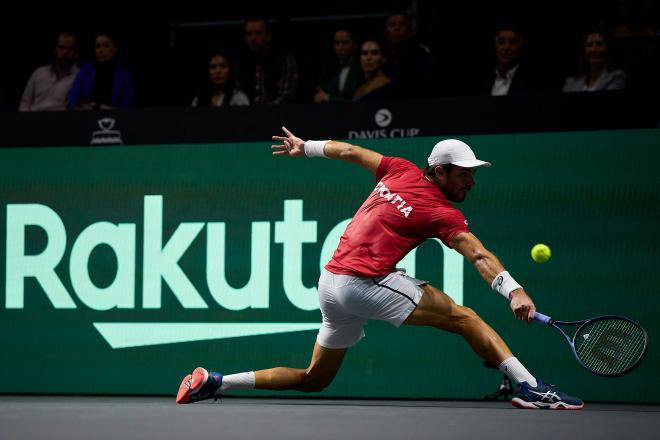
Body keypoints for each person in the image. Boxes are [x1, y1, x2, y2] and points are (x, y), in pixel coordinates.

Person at [176, 127, 585, 410]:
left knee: (314, 379)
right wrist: (513, 290)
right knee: (465, 317)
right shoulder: (442, 212)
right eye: (464, 174)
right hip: (361, 282)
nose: (470, 183)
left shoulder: (399, 168)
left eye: (472, 175)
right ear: (440, 171)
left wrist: (307, 147)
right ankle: (531, 387)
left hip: (330, 285)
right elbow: (477, 255)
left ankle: (217, 381)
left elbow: (349, 151)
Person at [234, 17, 298, 104]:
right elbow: (239, 96)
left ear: (268, 36)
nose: (253, 38)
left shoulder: (284, 59)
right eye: (249, 34)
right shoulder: (240, 63)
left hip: (278, 114)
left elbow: (286, 97)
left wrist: (265, 113)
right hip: (248, 114)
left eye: (258, 33)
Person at [466, 25, 542, 96]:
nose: (506, 47)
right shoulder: (479, 79)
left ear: (520, 47)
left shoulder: (531, 81)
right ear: (495, 46)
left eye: (512, 42)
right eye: (501, 42)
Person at [68, 32, 135, 110]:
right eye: (97, 46)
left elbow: (127, 108)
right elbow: (73, 100)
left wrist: (97, 107)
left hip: (114, 119)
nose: (101, 50)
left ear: (115, 48)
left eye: (106, 45)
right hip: (84, 116)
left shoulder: (125, 75)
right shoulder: (86, 70)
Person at [19, 31, 79, 111]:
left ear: (76, 53)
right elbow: (25, 103)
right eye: (61, 47)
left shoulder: (79, 77)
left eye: (70, 49)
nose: (65, 52)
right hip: (33, 119)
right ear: (55, 50)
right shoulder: (39, 73)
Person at [562, 29, 626, 92]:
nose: (594, 49)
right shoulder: (571, 82)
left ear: (607, 48)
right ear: (583, 51)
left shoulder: (617, 77)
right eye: (589, 45)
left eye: (599, 44)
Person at [313, 29, 364, 103]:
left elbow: (356, 101)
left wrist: (329, 98)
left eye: (345, 43)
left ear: (354, 45)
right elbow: (320, 96)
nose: (340, 47)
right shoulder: (327, 70)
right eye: (337, 43)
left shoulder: (361, 69)